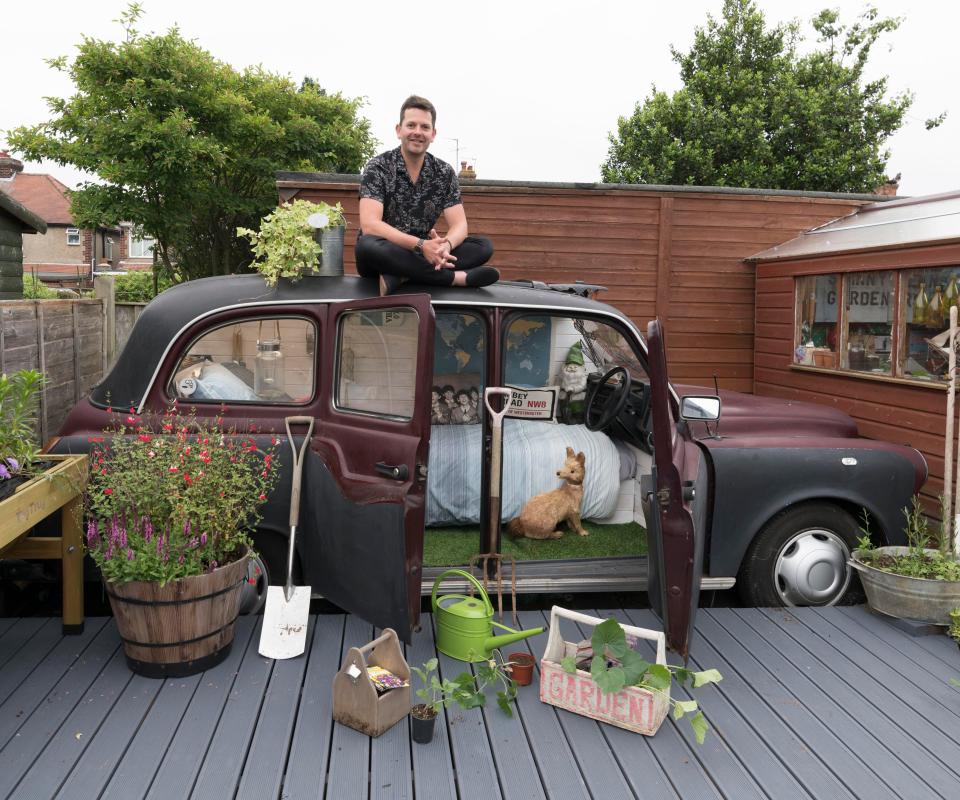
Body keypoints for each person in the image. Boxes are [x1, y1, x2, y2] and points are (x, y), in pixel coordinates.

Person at [356, 95, 498, 296]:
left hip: (427, 253)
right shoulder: (378, 167)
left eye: (424, 127)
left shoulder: (444, 172)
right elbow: (370, 225)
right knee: (367, 244)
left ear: (433, 133)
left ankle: (403, 275)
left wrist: (446, 246)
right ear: (399, 130)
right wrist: (421, 246)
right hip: (385, 253)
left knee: (483, 246)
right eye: (411, 125)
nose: (417, 132)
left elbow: (460, 226)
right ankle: (455, 279)